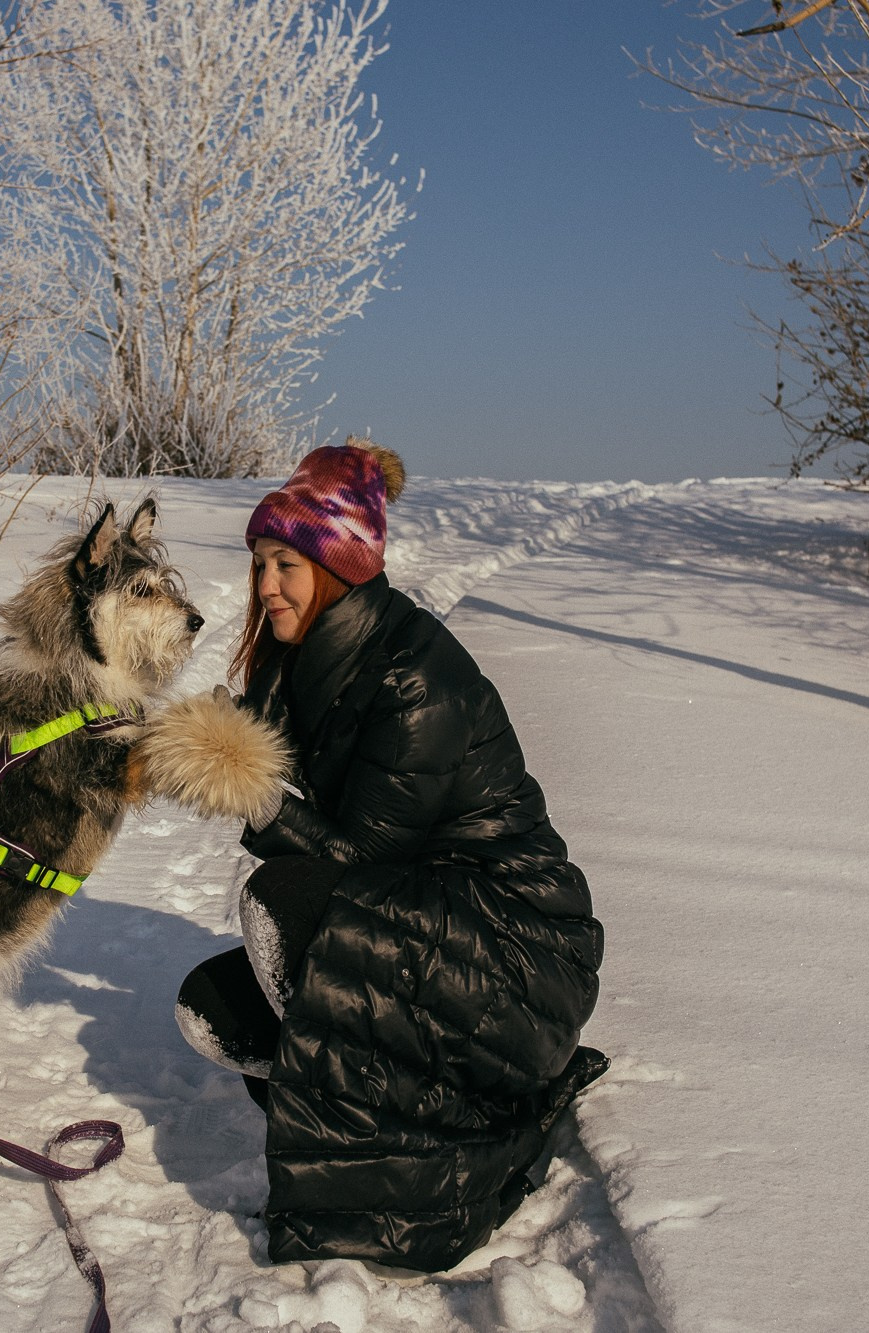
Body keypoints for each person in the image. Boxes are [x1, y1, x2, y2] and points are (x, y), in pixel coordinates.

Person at [171, 437, 606, 1274]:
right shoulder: (302, 661)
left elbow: (363, 860)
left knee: (281, 902)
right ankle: (347, 1105)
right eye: (260, 562)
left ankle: (407, 1127)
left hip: (519, 945)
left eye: (285, 566)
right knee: (208, 1010)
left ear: (338, 568)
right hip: (430, 932)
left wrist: (258, 798)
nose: (264, 586)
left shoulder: (416, 674)